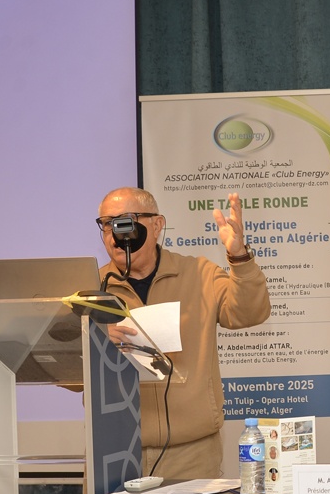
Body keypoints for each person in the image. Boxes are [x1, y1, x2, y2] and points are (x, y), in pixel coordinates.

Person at [96, 187, 271, 478]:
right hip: (113, 452)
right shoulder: (91, 288)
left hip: (191, 454)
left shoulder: (199, 274)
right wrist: (94, 344)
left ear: (156, 225)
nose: (116, 234)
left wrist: (239, 257)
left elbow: (249, 313)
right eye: (106, 224)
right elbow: (70, 376)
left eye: (125, 222)